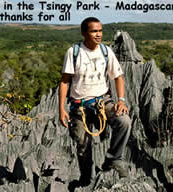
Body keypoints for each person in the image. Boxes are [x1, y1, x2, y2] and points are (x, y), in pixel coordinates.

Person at [59, 17, 131, 185]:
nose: (98, 34)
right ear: (84, 33)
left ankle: (113, 159)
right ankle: (86, 179)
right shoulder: (74, 52)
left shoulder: (106, 51)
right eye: (94, 31)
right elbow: (64, 81)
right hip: (80, 106)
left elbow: (118, 77)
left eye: (100, 31)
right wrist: (61, 108)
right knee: (83, 146)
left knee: (124, 121)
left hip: (102, 102)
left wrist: (121, 100)